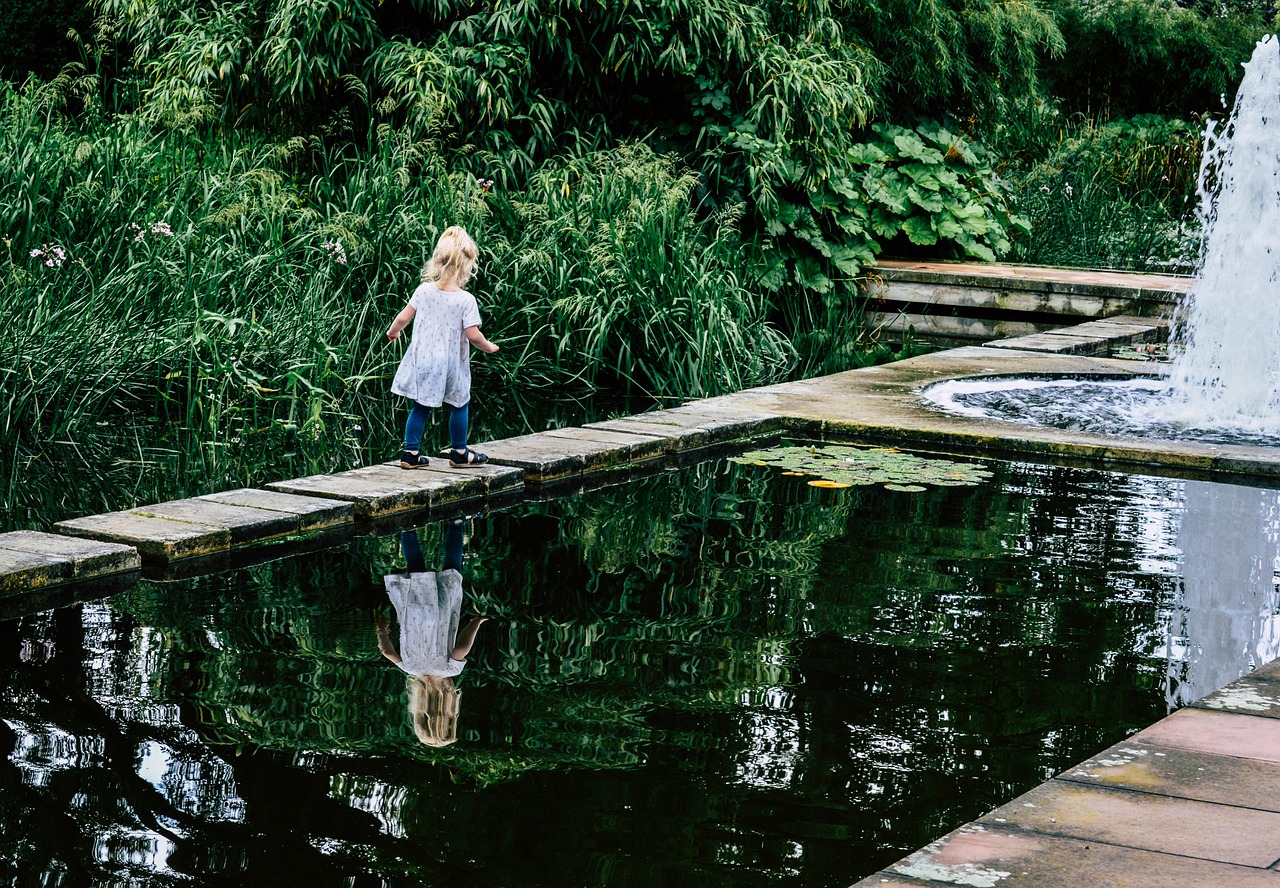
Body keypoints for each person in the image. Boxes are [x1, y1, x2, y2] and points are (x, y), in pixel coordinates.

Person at [386, 225, 499, 469]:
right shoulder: (465, 300)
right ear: (465, 266)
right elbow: (473, 334)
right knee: (460, 402)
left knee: (421, 406)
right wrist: (488, 346)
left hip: (423, 359)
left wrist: (393, 332)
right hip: (450, 363)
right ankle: (459, 451)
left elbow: (403, 318)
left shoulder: (423, 290)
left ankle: (410, 453)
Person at [376, 521, 488, 747]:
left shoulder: (451, 669)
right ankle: (407, 528)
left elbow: (460, 649)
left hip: (442, 611)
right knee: (415, 563)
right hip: (416, 611)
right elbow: (387, 651)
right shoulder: (410, 667)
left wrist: (475, 623)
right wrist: (382, 629)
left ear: (450, 709)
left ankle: (456, 523)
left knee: (452, 566)